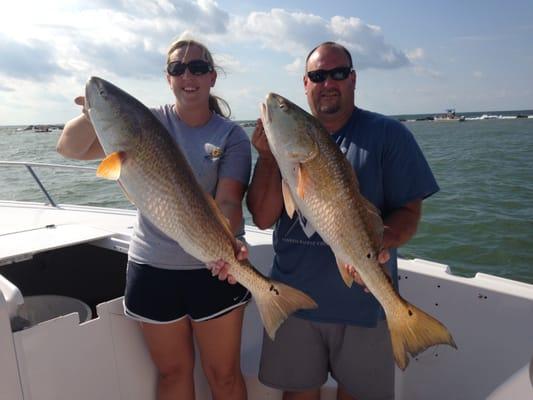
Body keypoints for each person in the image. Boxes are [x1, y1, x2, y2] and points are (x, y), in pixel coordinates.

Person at [214, 41, 439, 399]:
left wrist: (378, 243)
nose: (328, 82)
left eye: (337, 73)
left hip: (364, 305)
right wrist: (269, 159)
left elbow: (410, 214)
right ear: (306, 84)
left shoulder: (389, 135)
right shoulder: (282, 148)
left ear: (353, 79)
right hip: (294, 300)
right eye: (318, 76)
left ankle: (402, 318)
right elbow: (263, 216)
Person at [56, 37, 251, 400]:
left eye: (197, 67)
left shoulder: (232, 135)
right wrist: (93, 112)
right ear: (168, 78)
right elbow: (69, 147)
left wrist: (230, 246)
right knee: (172, 374)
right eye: (178, 69)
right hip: (152, 268)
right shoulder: (142, 124)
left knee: (223, 376)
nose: (187, 75)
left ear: (212, 77)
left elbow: (227, 199)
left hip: (212, 268)